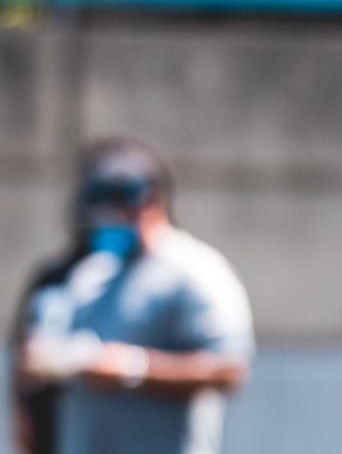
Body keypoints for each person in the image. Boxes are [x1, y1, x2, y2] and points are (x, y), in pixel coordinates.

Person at [15, 136, 255, 454]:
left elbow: (229, 369)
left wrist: (134, 368)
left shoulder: (196, 271)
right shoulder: (92, 272)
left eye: (121, 207)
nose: (109, 220)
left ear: (151, 199)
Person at [7, 207, 93, 454]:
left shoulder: (134, 274)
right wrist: (20, 417)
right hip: (50, 411)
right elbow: (22, 352)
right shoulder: (53, 273)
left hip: (100, 411)